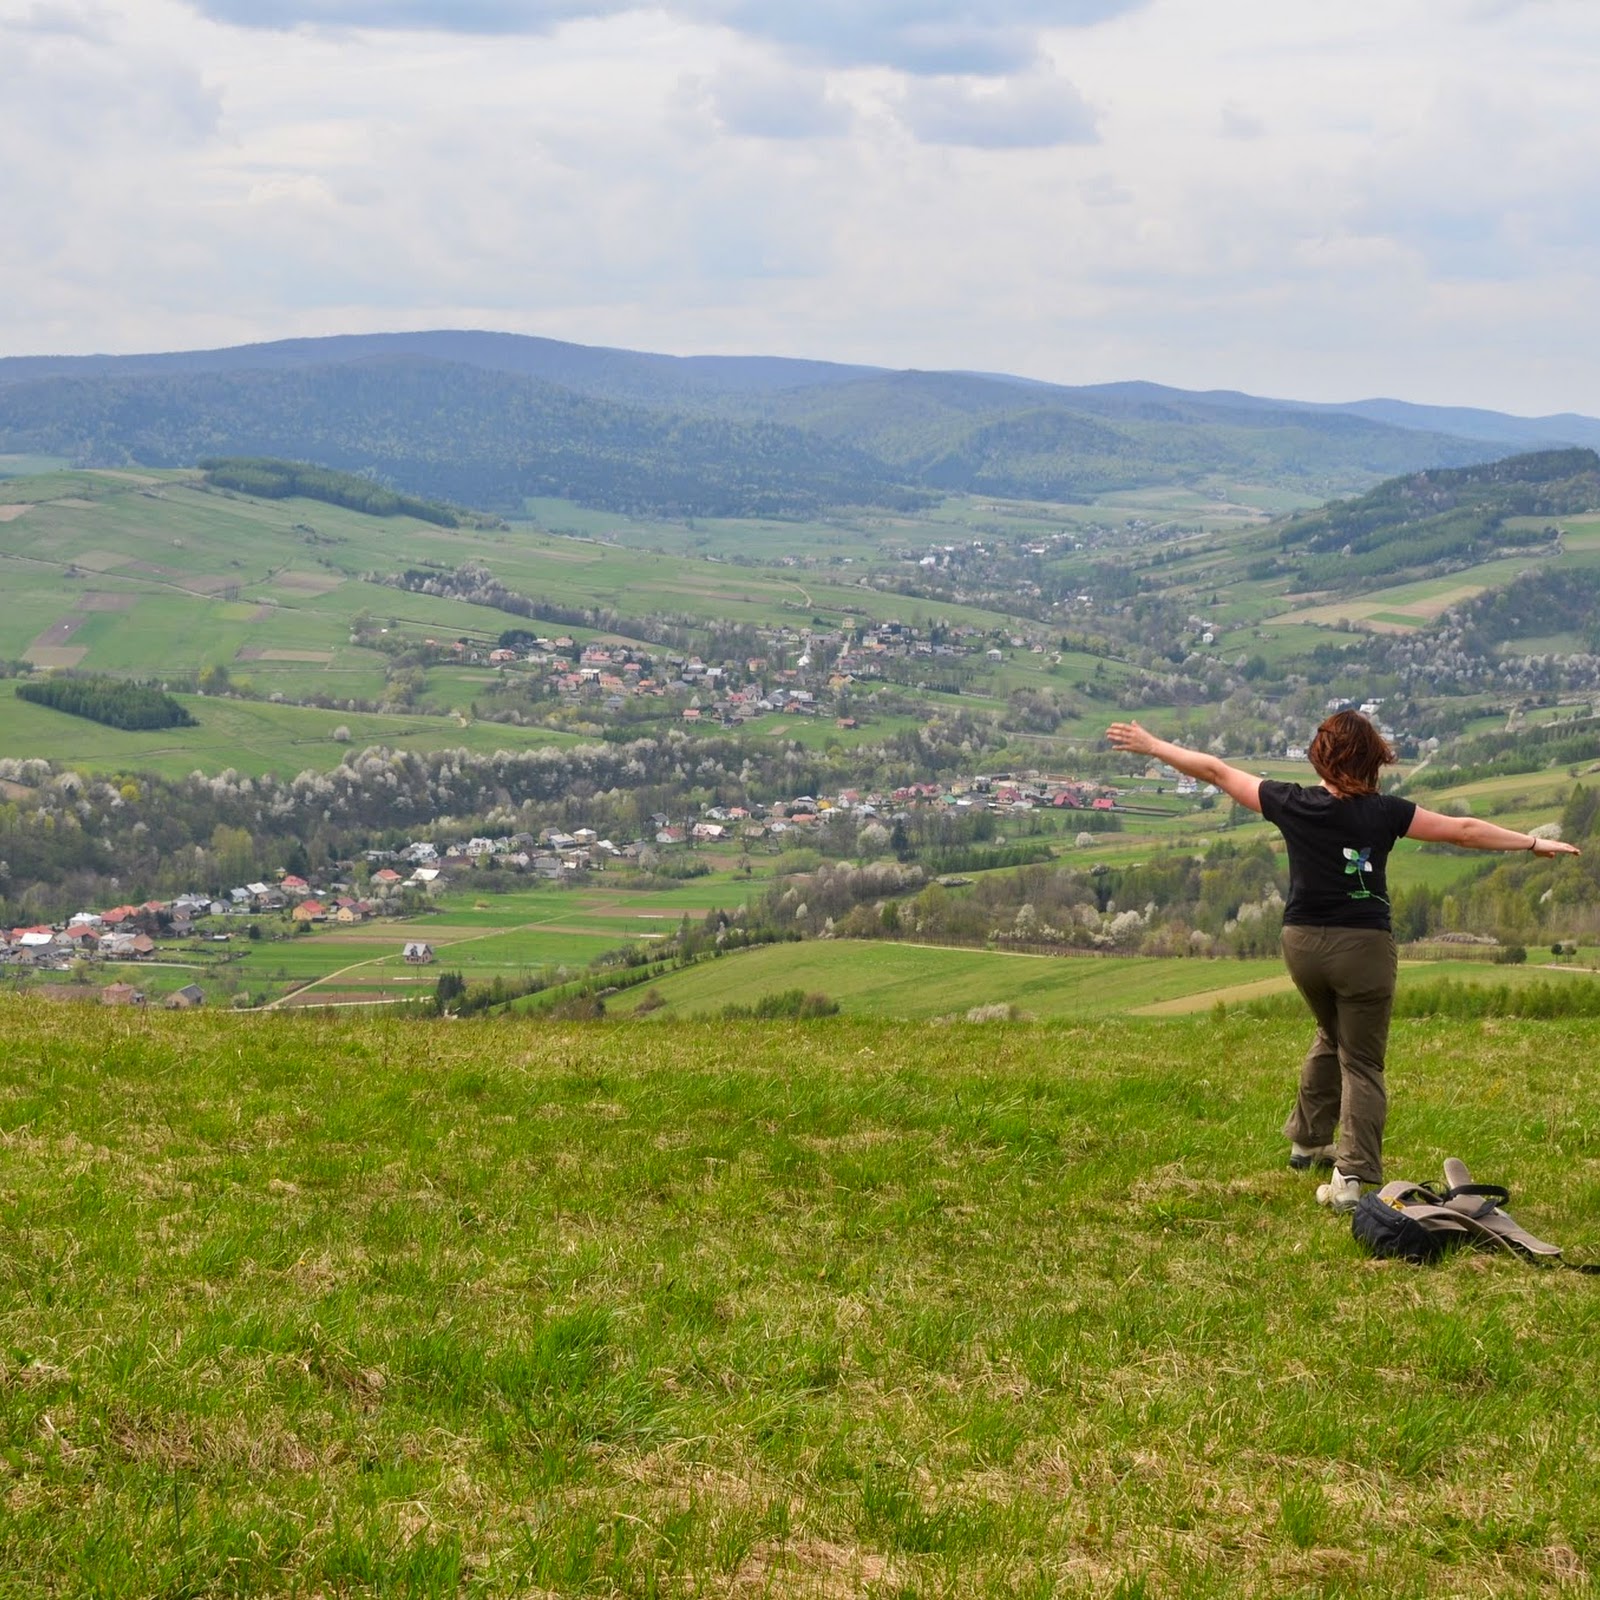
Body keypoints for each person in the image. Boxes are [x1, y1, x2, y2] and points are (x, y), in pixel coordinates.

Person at [1106, 710, 1581, 1211]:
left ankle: (1309, 1142)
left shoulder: (1291, 803)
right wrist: (1530, 841)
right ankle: (1351, 1178)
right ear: (1374, 761)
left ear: (1321, 757)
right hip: (1363, 949)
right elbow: (1462, 830)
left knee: (1331, 1034)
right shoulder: (1386, 812)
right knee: (1364, 1062)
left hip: (1301, 944)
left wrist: (1154, 744)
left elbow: (1217, 771)